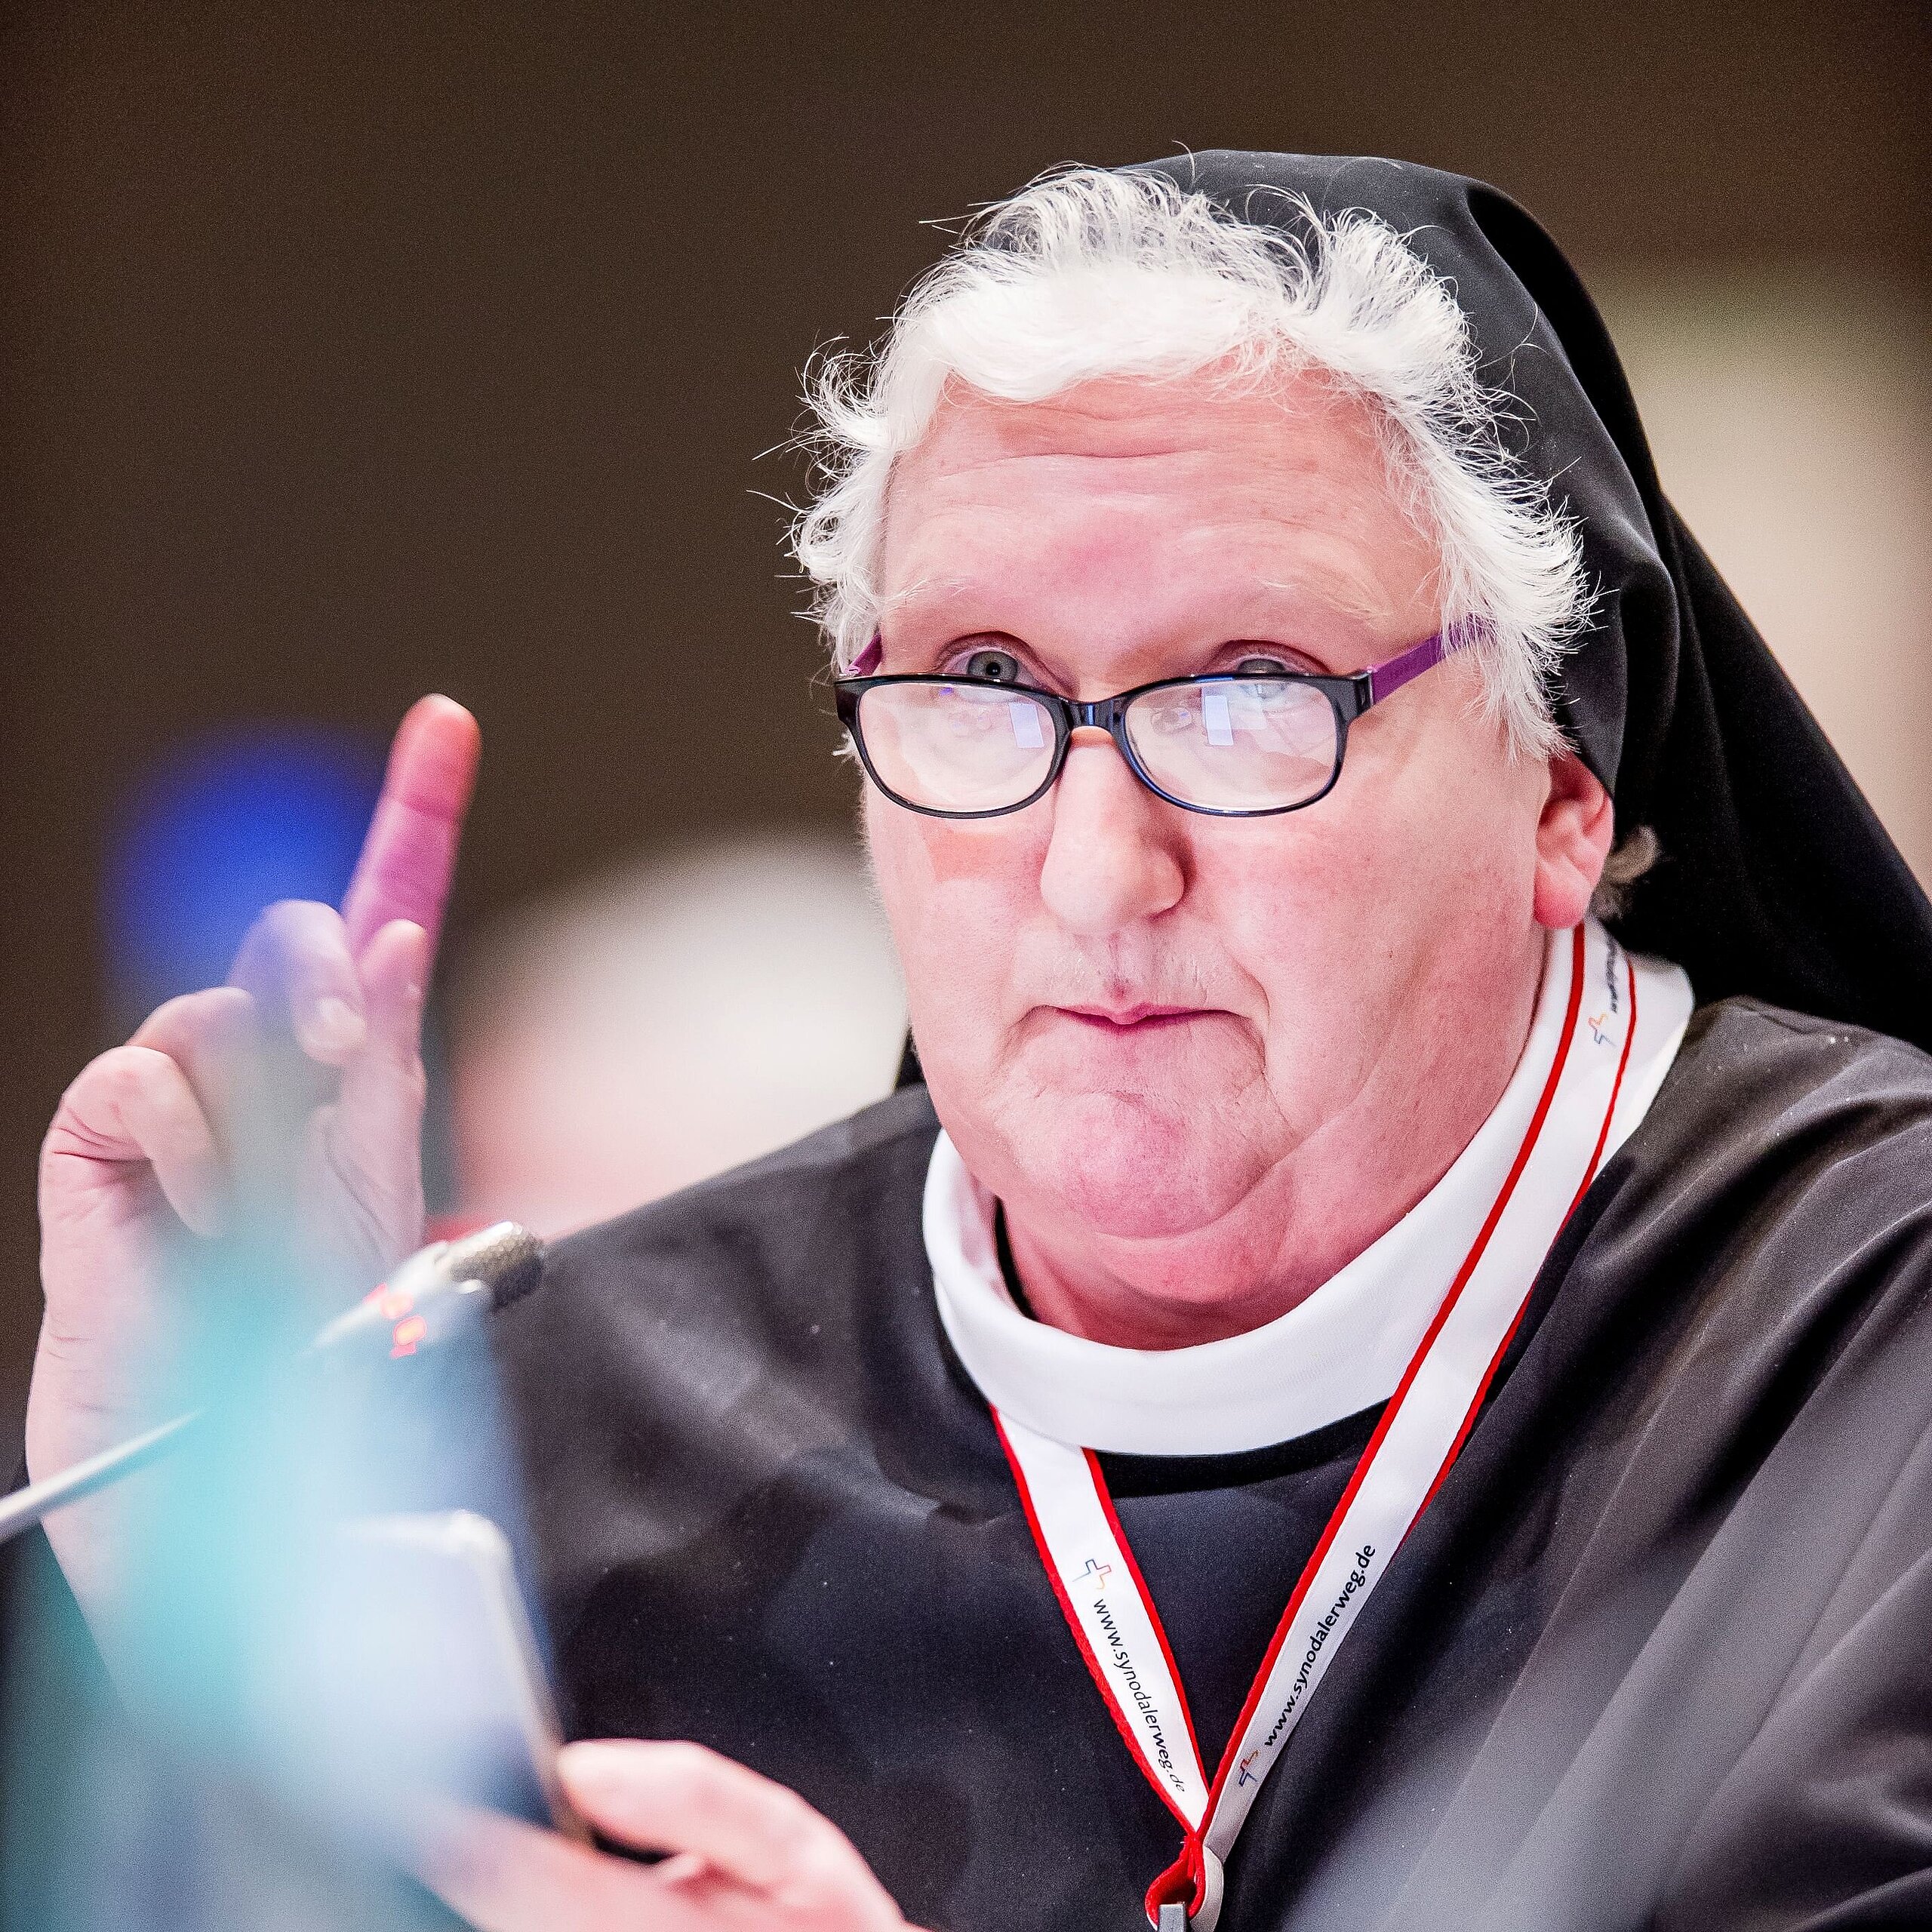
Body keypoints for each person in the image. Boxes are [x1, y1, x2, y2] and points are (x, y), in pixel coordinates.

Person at [24, 152, 1932, 1932]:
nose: (1096, 870)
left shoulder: (1871, 1354)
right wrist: (200, 1588)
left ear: (1560, 792)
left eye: (1249, 692)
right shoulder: (577, 1426)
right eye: (980, 684)